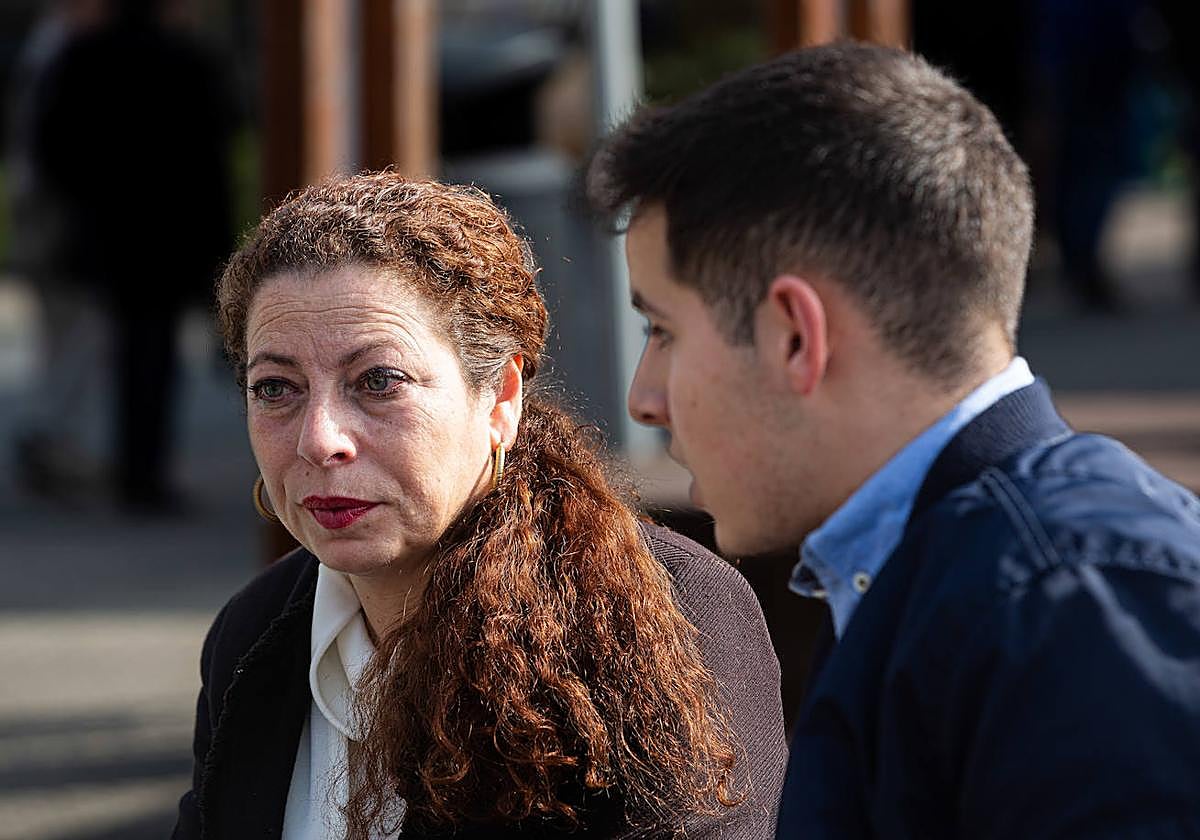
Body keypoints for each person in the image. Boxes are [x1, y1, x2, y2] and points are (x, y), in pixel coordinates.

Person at [585, 42, 1200, 838]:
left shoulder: (1073, 608)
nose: (644, 399)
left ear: (796, 336)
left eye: (662, 330)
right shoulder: (965, 576)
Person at [172, 173, 787, 839]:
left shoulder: (670, 608)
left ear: (500, 399)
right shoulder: (255, 634)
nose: (320, 439)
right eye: (276, 388)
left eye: (378, 381)